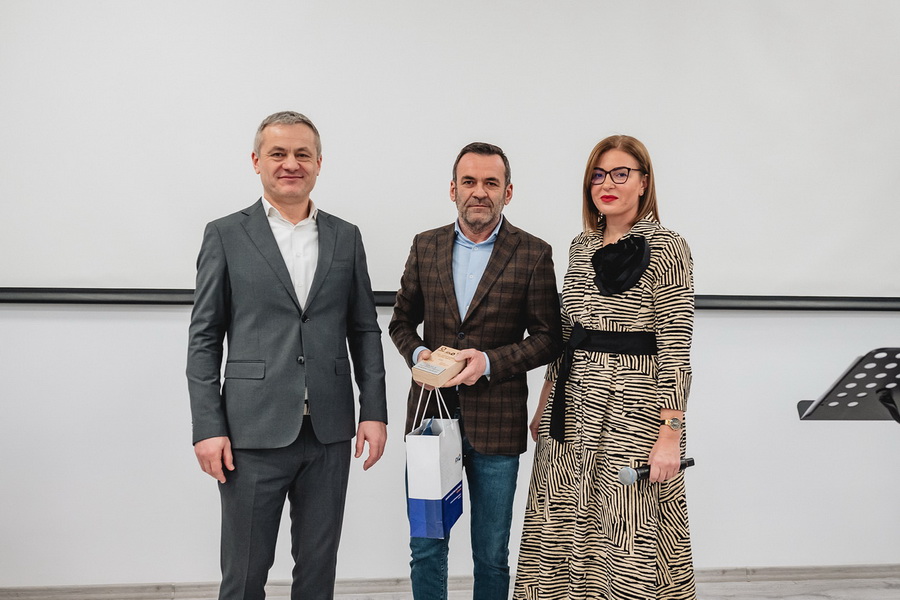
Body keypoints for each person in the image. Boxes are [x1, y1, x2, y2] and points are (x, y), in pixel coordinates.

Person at [187, 111, 388, 600]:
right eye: (278, 153)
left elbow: (364, 330)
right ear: (256, 161)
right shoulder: (225, 234)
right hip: (251, 432)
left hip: (329, 432)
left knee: (318, 573)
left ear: (319, 162)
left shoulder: (346, 236)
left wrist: (374, 411)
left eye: (302, 154)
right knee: (244, 575)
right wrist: (208, 426)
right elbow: (205, 338)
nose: (291, 163)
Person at [514, 135, 696, 599]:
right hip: (571, 403)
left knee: (627, 526)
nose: (607, 184)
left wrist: (671, 435)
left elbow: (676, 347)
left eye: (620, 174)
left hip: (634, 406)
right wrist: (544, 403)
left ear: (643, 182)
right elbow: (567, 332)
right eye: (598, 175)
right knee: (559, 517)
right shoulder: (580, 246)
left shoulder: (668, 246)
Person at [389, 142, 563, 600]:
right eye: (469, 181)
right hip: (430, 420)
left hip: (498, 427)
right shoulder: (425, 245)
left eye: (491, 182)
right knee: (427, 547)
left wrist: (488, 363)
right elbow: (401, 322)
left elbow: (549, 338)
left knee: (491, 556)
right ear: (453, 190)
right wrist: (420, 356)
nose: (479, 192)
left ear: (508, 192)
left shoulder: (533, 253)